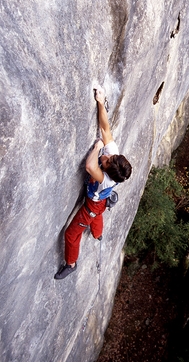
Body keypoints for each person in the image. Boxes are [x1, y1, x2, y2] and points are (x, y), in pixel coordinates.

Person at [54, 87, 132, 280]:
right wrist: (100, 101)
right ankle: (98, 234)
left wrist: (97, 147)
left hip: (92, 205)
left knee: (72, 234)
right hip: (100, 203)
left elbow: (89, 166)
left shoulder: (104, 177)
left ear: (106, 171)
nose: (105, 156)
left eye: (105, 161)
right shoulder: (114, 159)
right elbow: (105, 128)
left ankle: (71, 264)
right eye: (108, 156)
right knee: (99, 212)